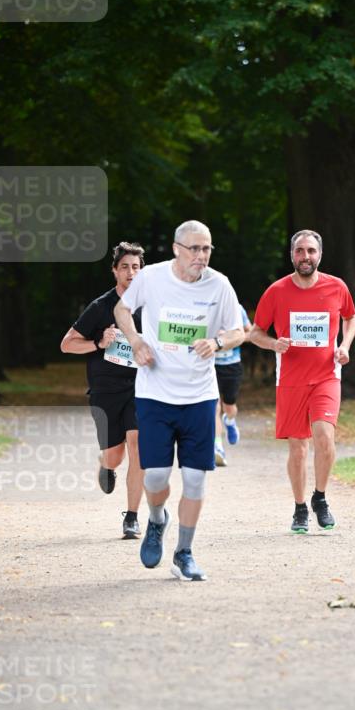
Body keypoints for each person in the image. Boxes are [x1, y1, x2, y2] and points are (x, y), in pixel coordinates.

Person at [113, 220, 244, 580]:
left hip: (200, 396)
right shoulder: (151, 278)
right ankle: (157, 519)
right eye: (194, 249)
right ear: (176, 249)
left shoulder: (220, 285)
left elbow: (238, 331)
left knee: (195, 480)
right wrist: (137, 342)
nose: (201, 256)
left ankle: (184, 553)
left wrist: (217, 343)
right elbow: (122, 310)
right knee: (155, 478)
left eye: (206, 249)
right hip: (155, 393)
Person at [249, 229, 355, 533]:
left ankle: (320, 498)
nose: (305, 257)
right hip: (291, 380)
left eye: (311, 251)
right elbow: (255, 332)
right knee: (298, 447)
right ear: (292, 255)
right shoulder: (277, 291)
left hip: (327, 375)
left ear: (319, 254)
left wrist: (345, 345)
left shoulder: (337, 287)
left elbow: (351, 318)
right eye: (300, 251)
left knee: (324, 437)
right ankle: (300, 508)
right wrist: (274, 344)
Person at [60, 242, 145, 539]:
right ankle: (104, 464)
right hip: (105, 390)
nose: (131, 272)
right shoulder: (100, 307)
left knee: (138, 447)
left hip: (140, 387)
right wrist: (98, 343)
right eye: (125, 267)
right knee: (115, 456)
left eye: (135, 267)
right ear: (115, 271)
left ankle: (132, 517)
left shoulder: (152, 306)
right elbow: (67, 344)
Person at [214, 302, 252, 466]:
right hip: (209, 364)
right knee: (213, 406)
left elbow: (249, 333)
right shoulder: (203, 305)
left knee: (229, 406)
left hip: (231, 365)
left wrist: (230, 337)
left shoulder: (237, 308)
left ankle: (229, 420)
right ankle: (217, 446)